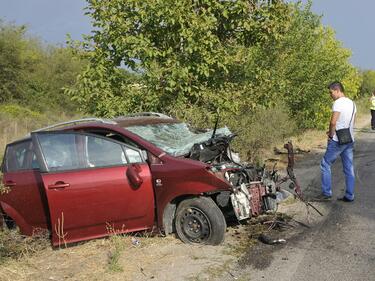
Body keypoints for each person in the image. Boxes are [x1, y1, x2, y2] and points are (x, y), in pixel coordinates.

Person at [318, 81, 356, 202]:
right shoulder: (352, 103)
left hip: (337, 140)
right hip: (349, 139)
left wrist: (330, 135)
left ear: (337, 90)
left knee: (325, 164)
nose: (330, 95)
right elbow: (352, 123)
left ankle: (327, 193)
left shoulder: (338, 103)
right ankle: (350, 195)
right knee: (348, 168)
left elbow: (333, 122)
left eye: (331, 92)